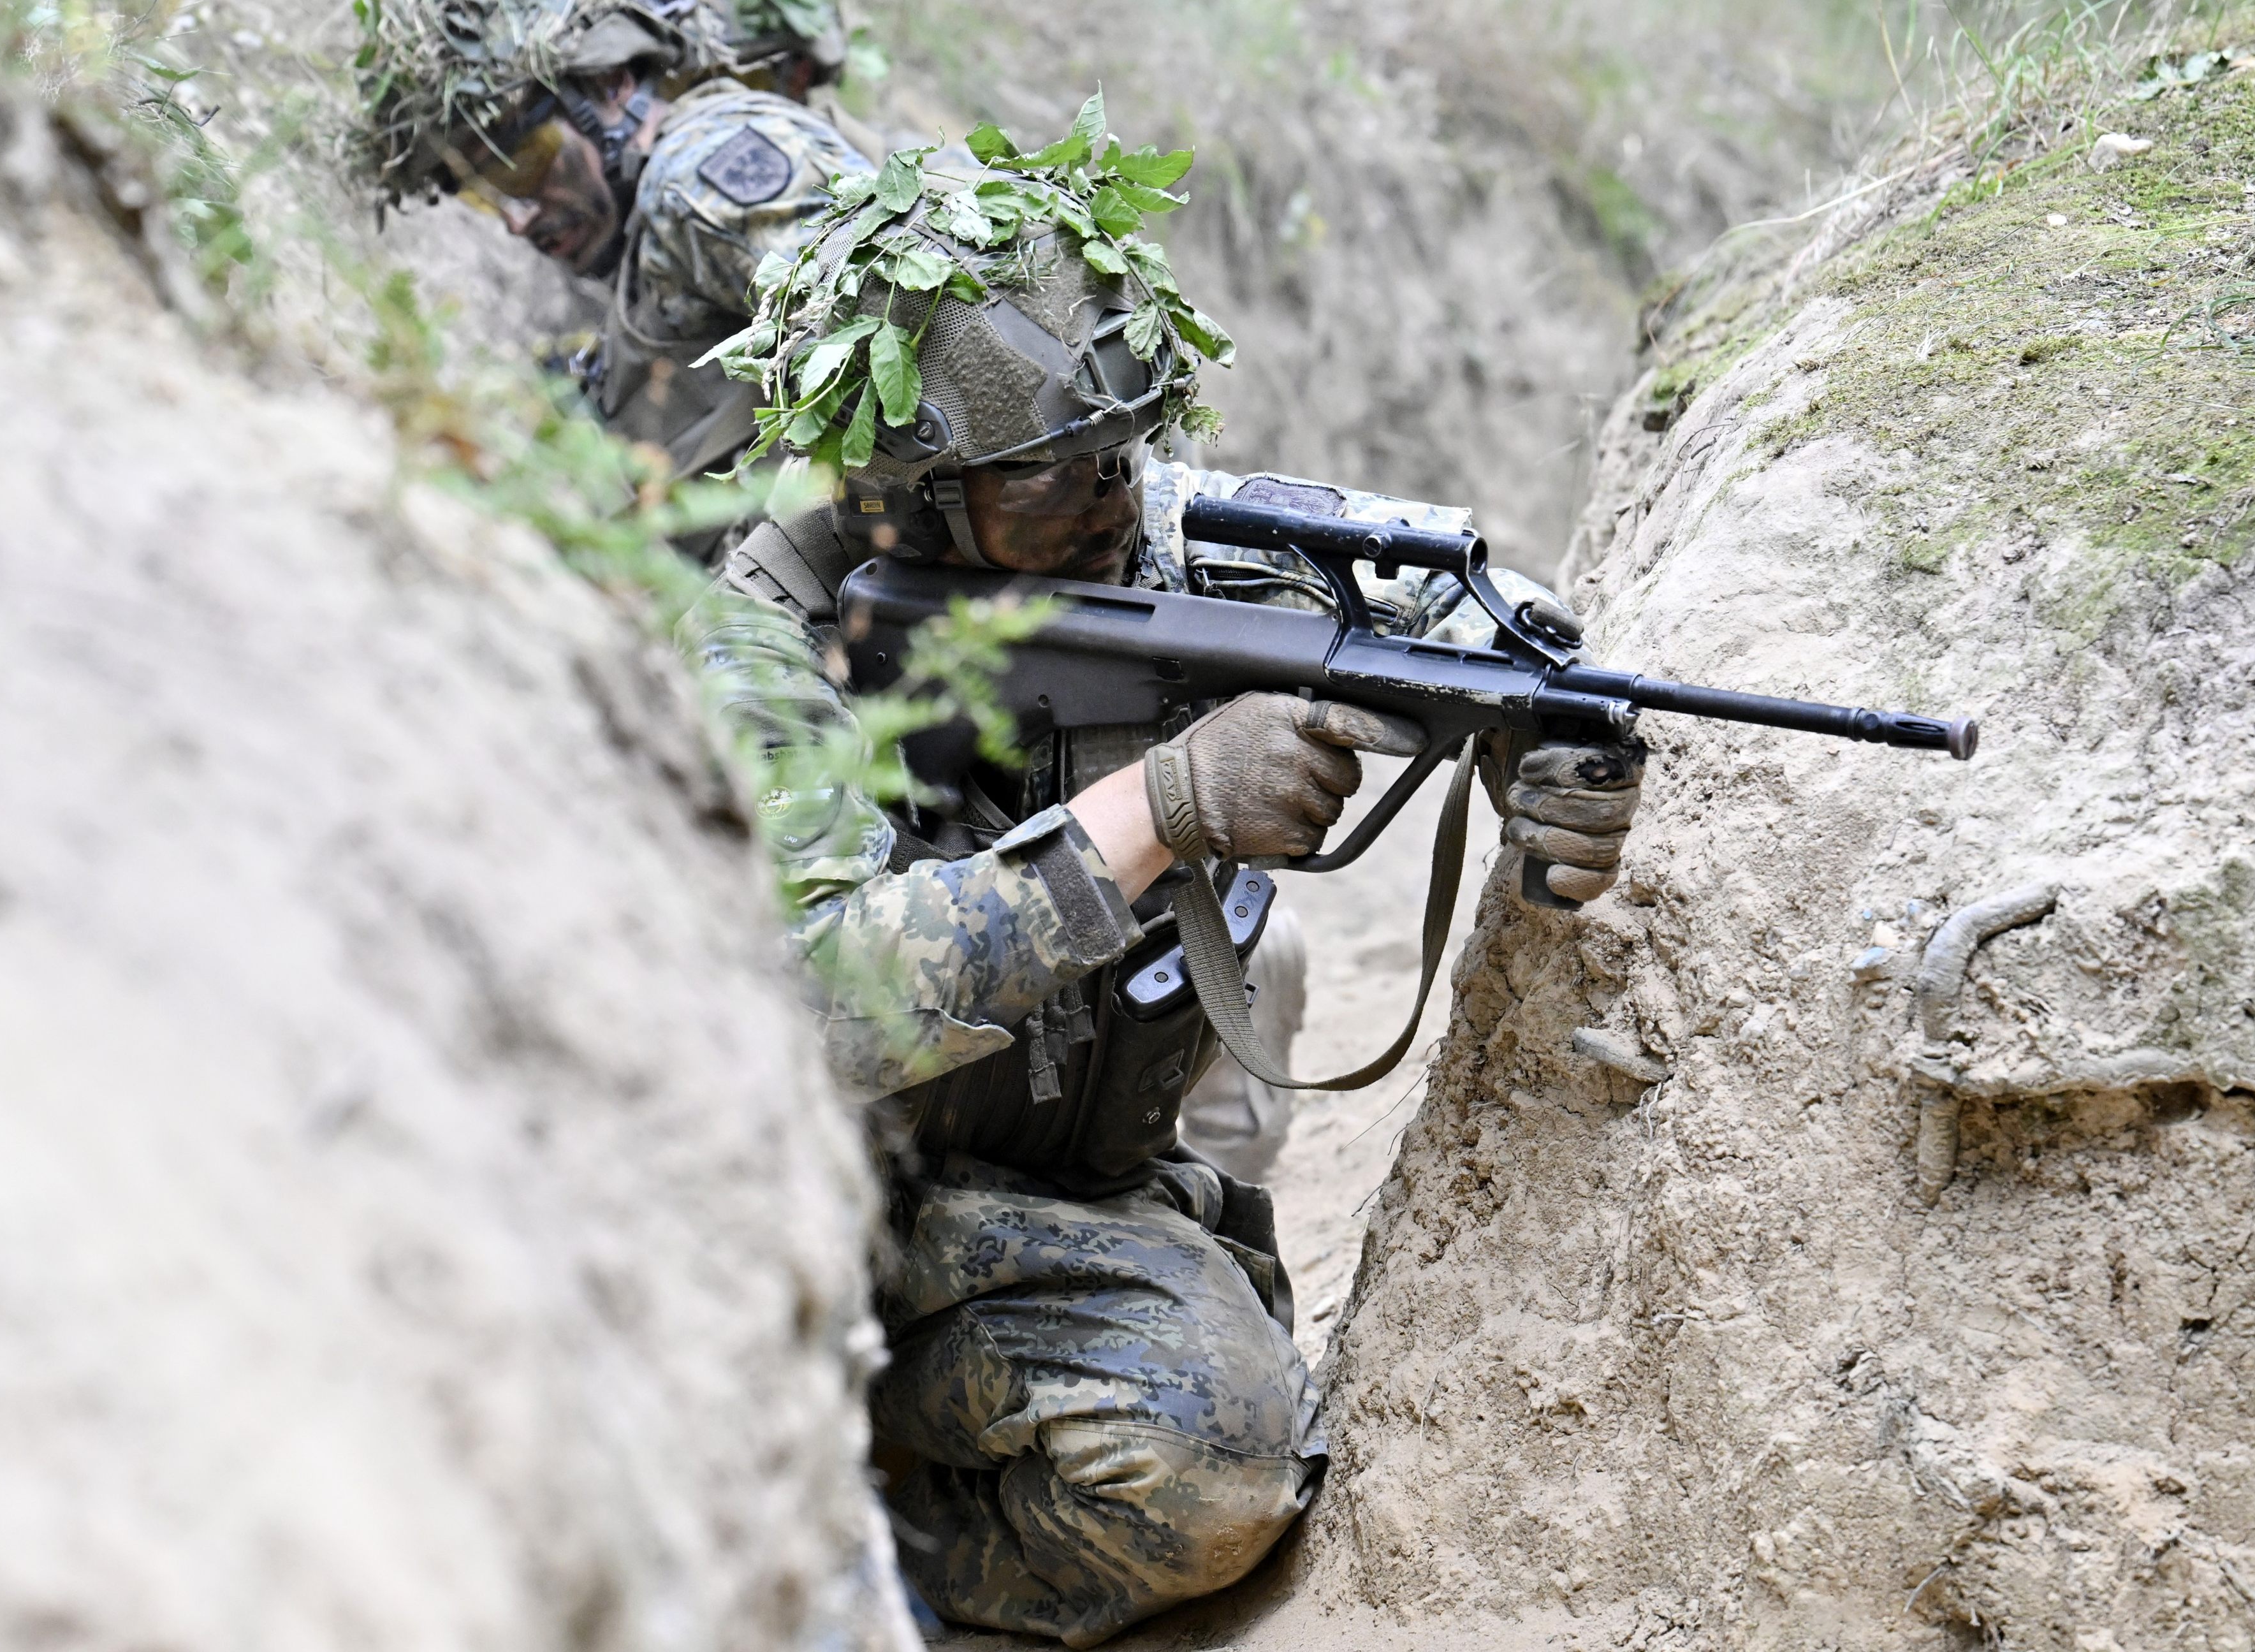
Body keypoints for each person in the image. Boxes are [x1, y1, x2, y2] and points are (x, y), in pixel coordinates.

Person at [699, 111, 1648, 1646]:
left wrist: (1535, 734)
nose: (1108, 503)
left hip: (1058, 1170)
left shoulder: (1142, 529)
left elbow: (1448, 602)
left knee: (1251, 1003)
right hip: (819, 1215)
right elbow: (829, 1000)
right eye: (1049, 479)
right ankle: (882, 1552)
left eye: (1122, 451)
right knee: (1197, 1468)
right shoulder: (760, 647)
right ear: (910, 491)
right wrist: (1160, 805)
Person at [347, 0, 873, 506]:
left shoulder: (698, 171)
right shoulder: (649, 251)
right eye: (482, 197)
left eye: (520, 170)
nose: (516, 221)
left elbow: (909, 337)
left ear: (610, 87)